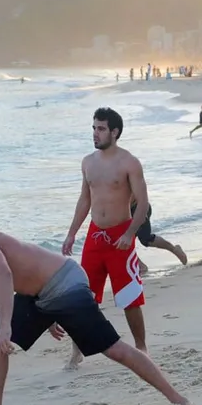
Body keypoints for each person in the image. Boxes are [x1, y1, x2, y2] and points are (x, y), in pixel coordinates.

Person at [0, 186, 195, 405]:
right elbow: (22, 274)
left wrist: (8, 326)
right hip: (43, 292)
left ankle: (179, 400)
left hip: (64, 285)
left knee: (114, 349)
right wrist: (45, 316)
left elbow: (5, 276)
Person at [63, 108, 150, 365]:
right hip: (95, 235)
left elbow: (143, 204)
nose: (95, 133)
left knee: (129, 297)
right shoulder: (88, 162)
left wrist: (130, 234)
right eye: (93, 128)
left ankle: (142, 348)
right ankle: (77, 350)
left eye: (100, 129)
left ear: (115, 132)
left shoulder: (129, 163)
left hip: (120, 236)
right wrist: (71, 234)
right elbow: (84, 200)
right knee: (84, 295)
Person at [131, 198, 188, 267]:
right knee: (123, 240)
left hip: (137, 209)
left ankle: (174, 249)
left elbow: (138, 195)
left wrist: (141, 212)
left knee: (145, 239)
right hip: (127, 212)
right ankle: (139, 265)